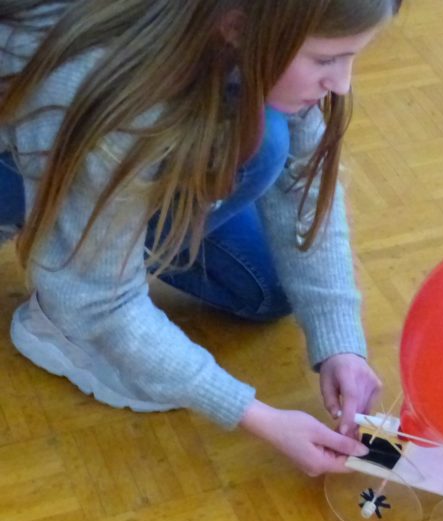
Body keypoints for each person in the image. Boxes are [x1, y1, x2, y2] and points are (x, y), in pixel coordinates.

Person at [0, 0, 403, 476]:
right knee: (87, 289)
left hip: (117, 127)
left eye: (352, 57)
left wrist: (341, 342)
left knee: (268, 281)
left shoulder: (251, 26)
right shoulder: (106, 88)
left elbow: (305, 188)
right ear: (235, 28)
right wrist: (255, 416)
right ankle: (57, 324)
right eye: (326, 60)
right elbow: (95, 301)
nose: (343, 83)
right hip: (38, 148)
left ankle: (106, 248)